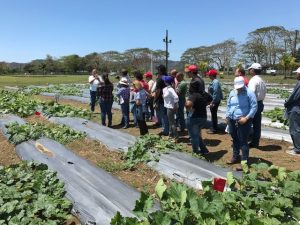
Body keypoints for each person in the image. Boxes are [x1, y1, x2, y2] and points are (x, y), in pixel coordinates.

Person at [226, 76, 257, 164]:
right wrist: (227, 116)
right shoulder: (232, 92)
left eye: (240, 87)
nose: (238, 89)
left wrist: (246, 118)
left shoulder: (249, 93)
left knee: (243, 141)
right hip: (232, 119)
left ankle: (244, 162)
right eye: (237, 87)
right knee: (234, 139)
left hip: (244, 120)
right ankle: (235, 157)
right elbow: (229, 105)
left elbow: (254, 107)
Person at [185, 81, 212, 154]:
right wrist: (202, 105)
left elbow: (188, 104)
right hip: (203, 117)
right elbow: (210, 100)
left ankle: (196, 152)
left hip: (194, 117)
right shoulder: (204, 94)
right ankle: (204, 150)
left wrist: (189, 109)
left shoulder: (194, 95)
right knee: (197, 134)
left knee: (194, 136)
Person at [247, 63, 267, 148]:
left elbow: (250, 94)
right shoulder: (261, 80)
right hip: (260, 103)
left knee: (247, 123)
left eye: (250, 69)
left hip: (254, 104)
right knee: (257, 125)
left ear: (253, 70)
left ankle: (245, 141)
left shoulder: (253, 80)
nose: (249, 70)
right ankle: (255, 142)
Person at [285, 67, 300, 155]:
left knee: (295, 129)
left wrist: (286, 103)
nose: (296, 74)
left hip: (296, 109)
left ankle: (297, 149)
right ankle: (297, 145)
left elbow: (294, 97)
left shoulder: (299, 83)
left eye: (297, 73)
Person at [153, 65, 169, 136]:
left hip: (162, 100)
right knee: (166, 115)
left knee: (163, 115)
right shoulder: (168, 77)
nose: (157, 71)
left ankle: (165, 130)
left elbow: (158, 91)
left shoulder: (160, 79)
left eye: (158, 70)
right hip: (168, 99)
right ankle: (167, 129)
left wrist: (155, 99)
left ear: (160, 70)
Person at [207, 69, 223, 134]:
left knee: (213, 114)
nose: (208, 76)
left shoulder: (215, 82)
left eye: (209, 75)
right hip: (214, 100)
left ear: (212, 75)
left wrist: (212, 102)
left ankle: (214, 129)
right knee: (214, 114)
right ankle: (215, 127)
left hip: (215, 101)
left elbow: (215, 92)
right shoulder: (214, 81)